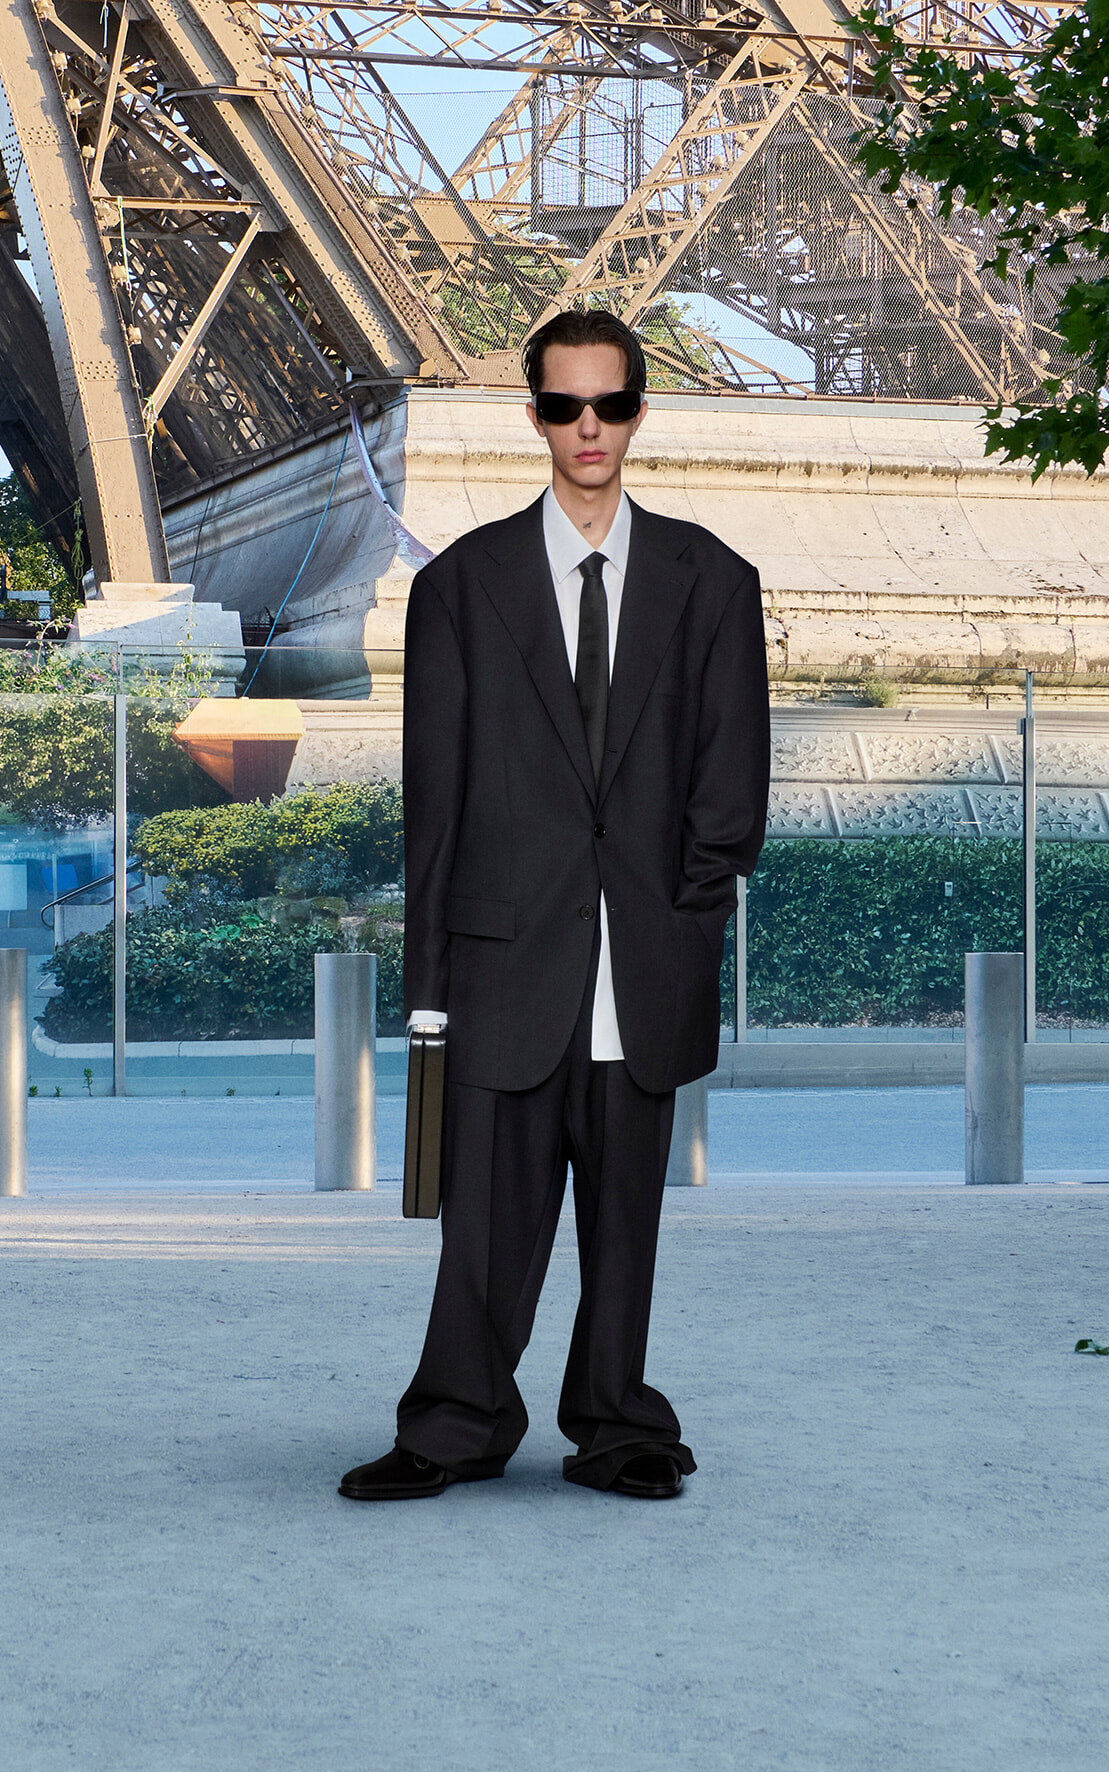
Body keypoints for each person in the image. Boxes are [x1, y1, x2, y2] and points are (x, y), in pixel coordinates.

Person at [339, 309, 771, 1502]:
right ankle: (450, 1426)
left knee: (625, 1228)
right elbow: (437, 807)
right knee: (482, 1223)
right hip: (502, 959)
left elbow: (732, 793)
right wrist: (429, 993)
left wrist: (683, 928)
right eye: (569, 406)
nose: (592, 428)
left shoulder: (714, 584)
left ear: (640, 412)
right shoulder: (463, 588)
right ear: (535, 415)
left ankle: (620, 1426)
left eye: (613, 404)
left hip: (643, 960)